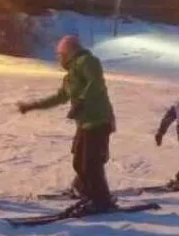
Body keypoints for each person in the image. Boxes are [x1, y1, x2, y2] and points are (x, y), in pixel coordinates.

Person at [17, 35, 116, 212]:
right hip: (84, 123)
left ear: (69, 52)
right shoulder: (69, 77)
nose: (59, 58)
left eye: (60, 55)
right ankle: (86, 191)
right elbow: (59, 98)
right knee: (79, 162)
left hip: (99, 120)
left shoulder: (88, 61)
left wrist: (81, 101)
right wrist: (32, 106)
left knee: (91, 163)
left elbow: (96, 83)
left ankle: (102, 201)